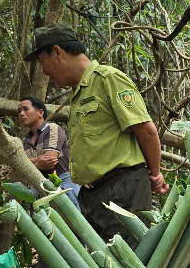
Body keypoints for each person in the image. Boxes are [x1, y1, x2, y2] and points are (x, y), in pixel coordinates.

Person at [25, 24, 168, 244]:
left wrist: (155, 174)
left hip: (122, 191)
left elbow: (146, 131)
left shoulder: (108, 79)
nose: (45, 71)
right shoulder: (79, 92)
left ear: (57, 52)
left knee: (124, 267)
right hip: (92, 195)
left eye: (43, 62)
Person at [17, 96, 77, 268]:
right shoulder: (25, 141)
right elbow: (32, 165)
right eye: (19, 111)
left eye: (26, 109)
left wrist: (24, 163)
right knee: (43, 238)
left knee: (72, 236)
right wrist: (33, 162)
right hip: (39, 188)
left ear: (40, 112)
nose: (21, 114)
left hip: (62, 184)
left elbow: (50, 160)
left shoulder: (53, 130)